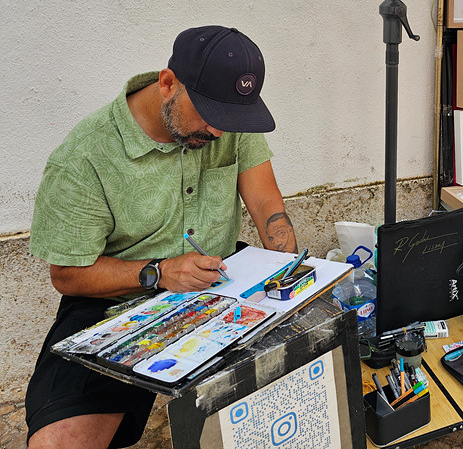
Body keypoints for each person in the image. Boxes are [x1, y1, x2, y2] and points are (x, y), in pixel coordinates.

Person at [25, 26, 298, 449]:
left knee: (298, 387)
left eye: (228, 120)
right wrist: (160, 273)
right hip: (120, 300)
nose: (219, 132)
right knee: (57, 444)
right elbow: (67, 275)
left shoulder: (226, 121)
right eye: (208, 114)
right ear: (168, 83)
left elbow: (266, 206)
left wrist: (290, 275)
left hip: (223, 282)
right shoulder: (84, 156)